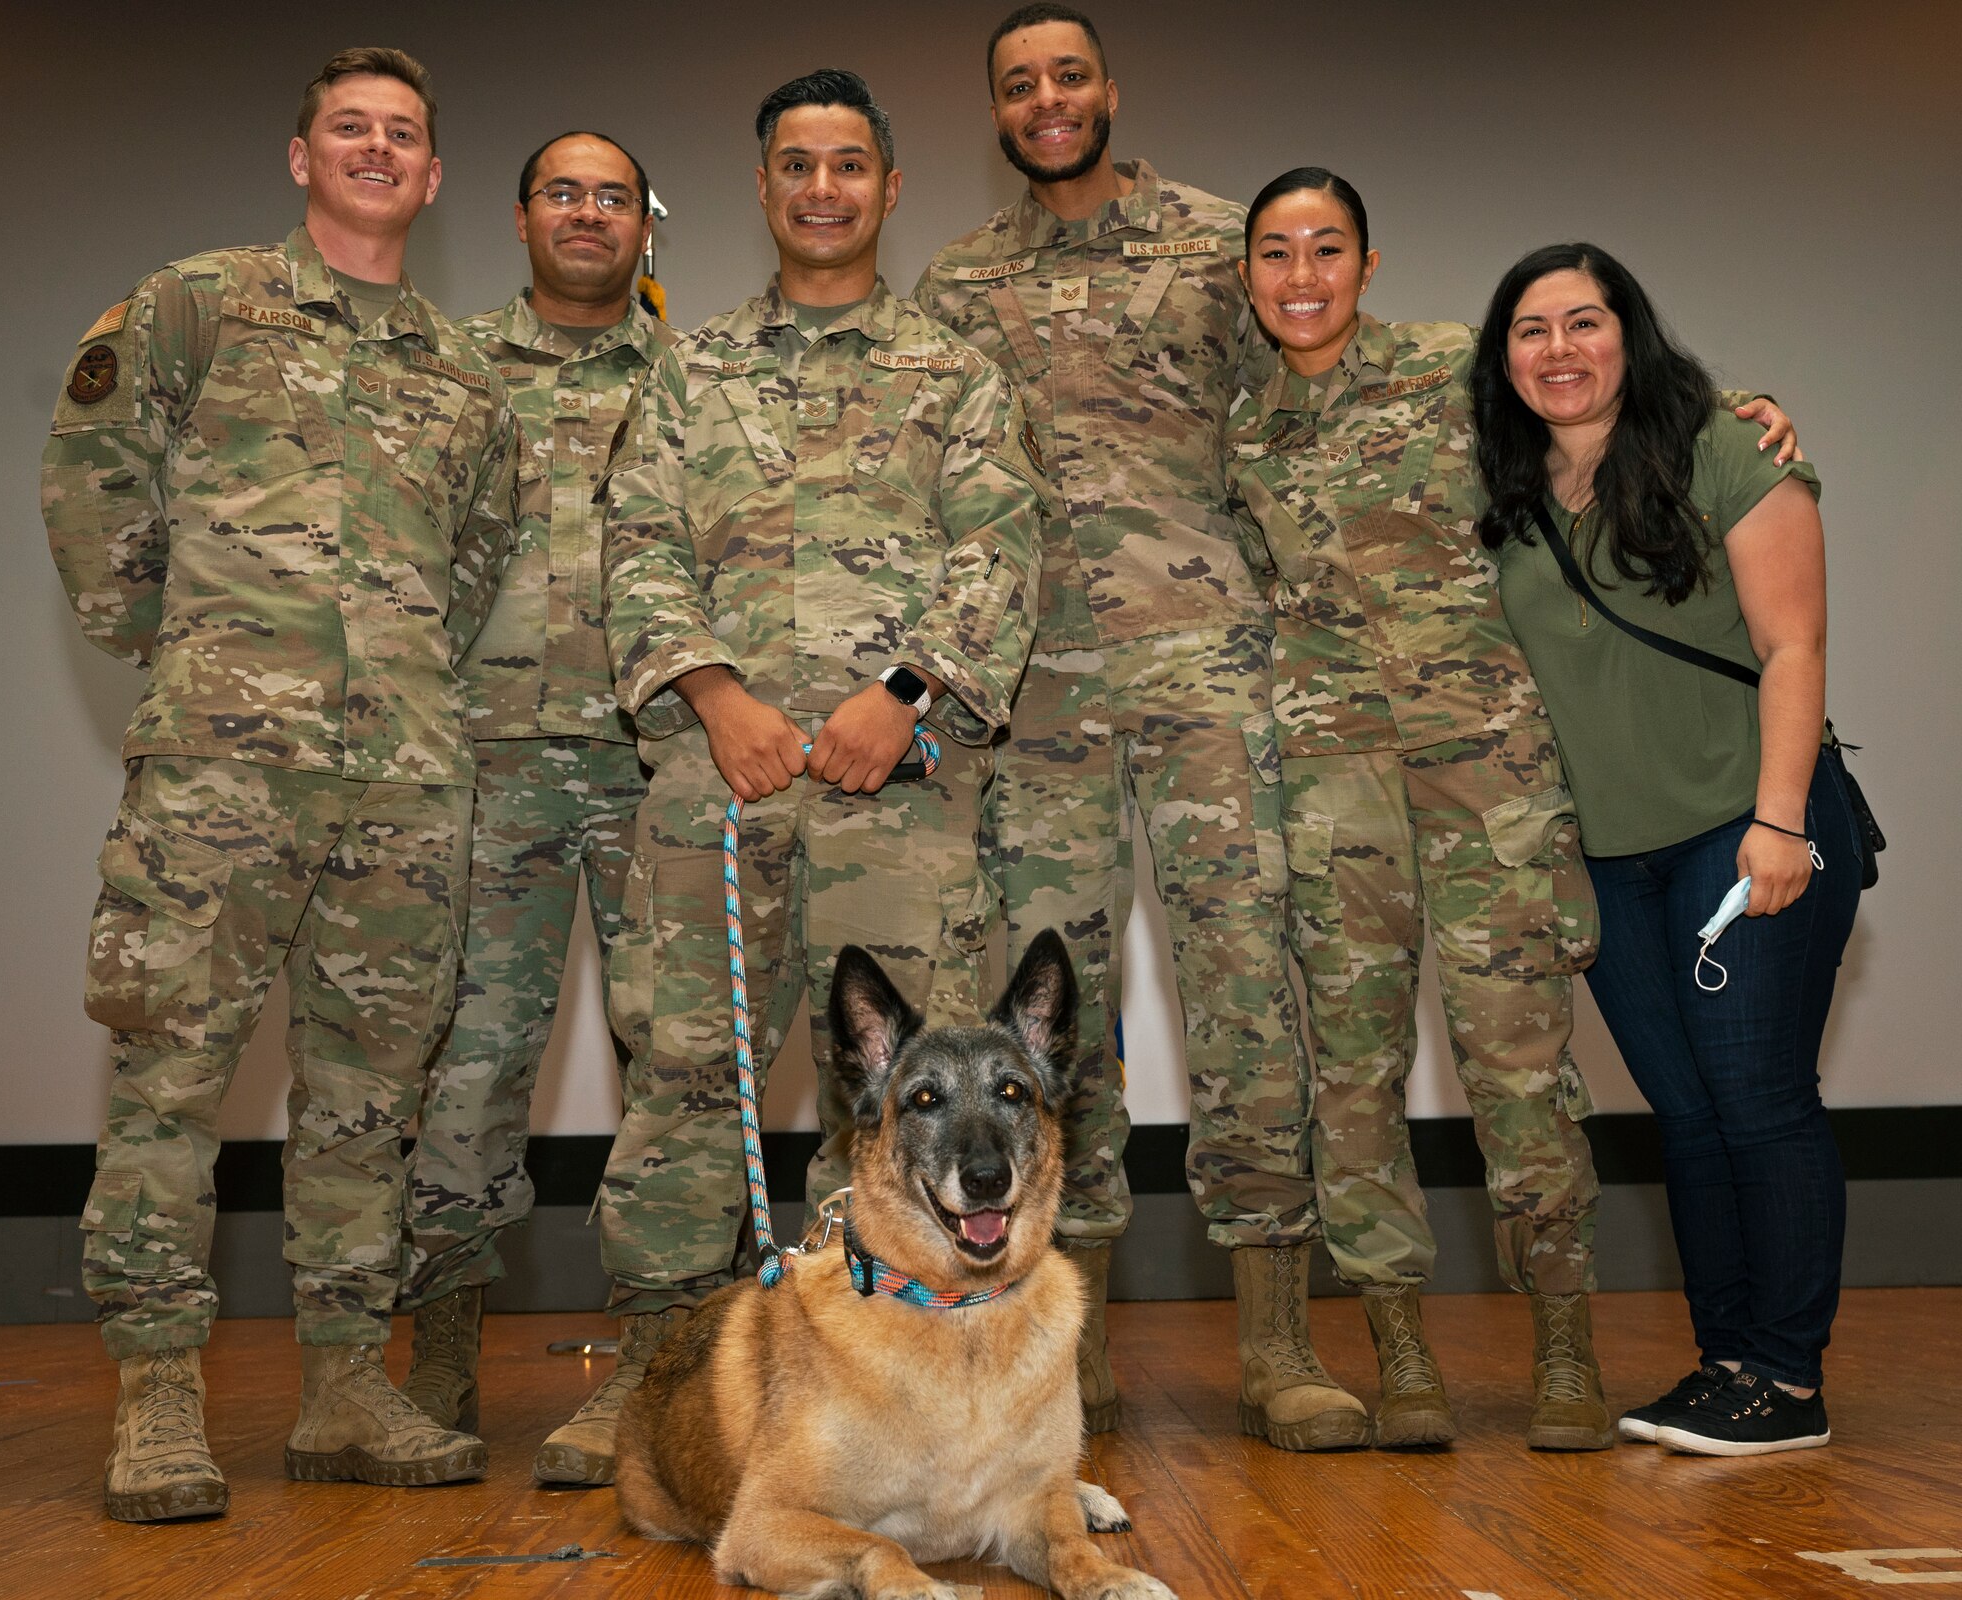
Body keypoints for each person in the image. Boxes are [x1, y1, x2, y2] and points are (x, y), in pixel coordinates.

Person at [1225, 168, 1797, 1452]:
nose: (1301, 274)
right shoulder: (1230, 420)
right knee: (1355, 1076)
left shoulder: (1455, 370)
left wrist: (1743, 412)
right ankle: (1403, 1352)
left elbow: (1603, 393)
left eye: (1327, 248)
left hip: (1493, 786)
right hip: (1334, 793)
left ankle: (1559, 1349)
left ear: (1368, 264)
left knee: (1521, 1068)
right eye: (1274, 252)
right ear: (1247, 275)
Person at [42, 47, 518, 1521]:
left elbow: (478, 561)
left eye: (405, 137)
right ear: (301, 155)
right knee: (169, 1085)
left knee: (369, 1100)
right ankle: (159, 1395)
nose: (377, 151)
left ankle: (340, 1383)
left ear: (433, 179)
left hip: (404, 788)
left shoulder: (465, 375)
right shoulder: (196, 303)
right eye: (350, 129)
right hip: (220, 786)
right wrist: (192, 655)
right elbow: (91, 478)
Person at [591, 68, 1044, 1481]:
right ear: (767, 186)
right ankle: (655, 1395)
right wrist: (715, 697)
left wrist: (902, 697)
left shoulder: (955, 374)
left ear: (891, 188)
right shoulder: (691, 372)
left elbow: (1000, 551)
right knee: (682, 1084)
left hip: (893, 809)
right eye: (798, 165)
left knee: (907, 1104)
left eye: (850, 165)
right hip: (716, 790)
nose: (824, 189)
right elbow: (637, 541)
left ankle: (894, 1401)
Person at [915, 2, 1309, 1442]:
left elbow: (1325, 394)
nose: (1047, 100)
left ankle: (1277, 1344)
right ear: (999, 112)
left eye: (1067, 75)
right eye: (1018, 84)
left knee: (1250, 994)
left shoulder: (1224, 241)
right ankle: (1064, 1353)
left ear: (1109, 89)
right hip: (1042, 704)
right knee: (1051, 1020)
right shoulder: (957, 283)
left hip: (1211, 674)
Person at [1473, 243, 1854, 1456]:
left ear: (1626, 332)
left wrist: (1781, 820)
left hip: (1747, 830)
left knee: (1759, 1102)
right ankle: (1726, 1362)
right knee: (1685, 1117)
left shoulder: (1722, 447)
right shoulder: (1501, 486)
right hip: (1611, 866)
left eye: (1582, 323)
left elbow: (1792, 646)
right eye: (1529, 332)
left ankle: (1786, 1379)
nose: (1558, 351)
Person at [393, 131, 676, 1485]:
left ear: (645, 226)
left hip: (660, 769)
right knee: (465, 1069)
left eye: (611, 196)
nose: (586, 213)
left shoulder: (700, 378)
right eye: (561, 192)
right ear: (517, 219)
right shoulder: (447, 374)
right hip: (488, 768)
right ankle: (439, 1355)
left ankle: (657, 1366)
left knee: (677, 1069)